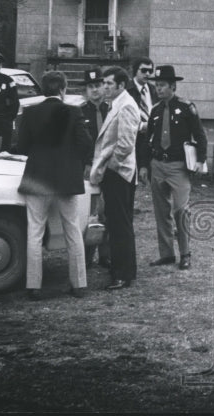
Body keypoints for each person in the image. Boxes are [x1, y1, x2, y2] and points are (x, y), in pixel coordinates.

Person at [13, 71, 93, 300]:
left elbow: (23, 146)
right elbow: (85, 143)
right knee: (72, 229)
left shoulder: (30, 113)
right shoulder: (73, 111)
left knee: (35, 231)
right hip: (66, 178)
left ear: (44, 90)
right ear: (63, 89)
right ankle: (78, 284)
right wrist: (72, 162)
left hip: (37, 176)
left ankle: (33, 285)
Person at [145, 65, 207, 271]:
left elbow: (200, 135)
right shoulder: (154, 111)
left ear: (173, 86)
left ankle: (185, 253)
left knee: (181, 210)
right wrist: (146, 165)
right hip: (158, 165)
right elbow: (148, 140)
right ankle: (167, 254)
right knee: (161, 211)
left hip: (178, 166)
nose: (158, 89)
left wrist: (200, 160)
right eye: (156, 85)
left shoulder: (186, 108)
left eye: (162, 85)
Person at [90, 66, 140, 291]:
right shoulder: (117, 104)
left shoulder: (127, 105)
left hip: (119, 173)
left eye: (110, 83)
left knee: (120, 224)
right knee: (118, 222)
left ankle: (122, 275)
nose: (105, 87)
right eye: (105, 83)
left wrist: (111, 167)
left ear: (121, 85)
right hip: (116, 172)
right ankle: (124, 269)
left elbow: (126, 144)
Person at [80, 67, 110, 268]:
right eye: (91, 87)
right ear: (86, 90)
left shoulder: (111, 110)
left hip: (109, 167)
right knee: (90, 213)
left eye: (98, 85)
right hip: (89, 167)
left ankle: (105, 255)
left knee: (107, 212)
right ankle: (87, 255)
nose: (95, 90)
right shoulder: (80, 112)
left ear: (104, 87)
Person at [126, 57, 158, 189]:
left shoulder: (153, 90)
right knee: (130, 182)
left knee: (155, 181)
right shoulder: (127, 90)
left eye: (150, 71)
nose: (147, 74)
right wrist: (140, 126)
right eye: (144, 70)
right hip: (133, 139)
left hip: (150, 139)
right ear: (135, 71)